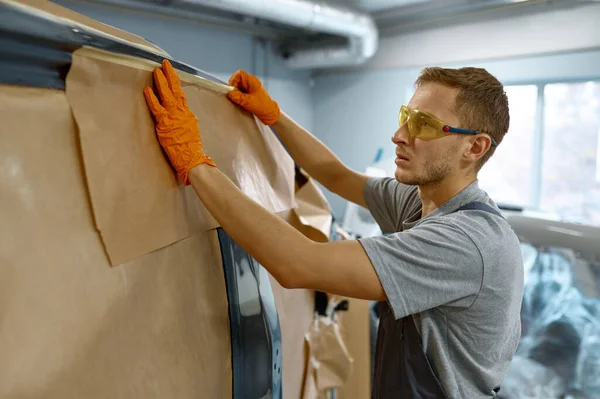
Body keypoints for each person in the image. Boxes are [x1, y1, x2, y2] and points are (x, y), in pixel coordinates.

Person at [143, 60, 524, 399]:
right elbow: (336, 175)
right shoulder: (420, 200)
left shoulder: (465, 243)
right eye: (405, 115)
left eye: (422, 125)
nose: (400, 135)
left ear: (474, 147)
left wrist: (195, 165)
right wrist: (274, 117)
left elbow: (298, 264)